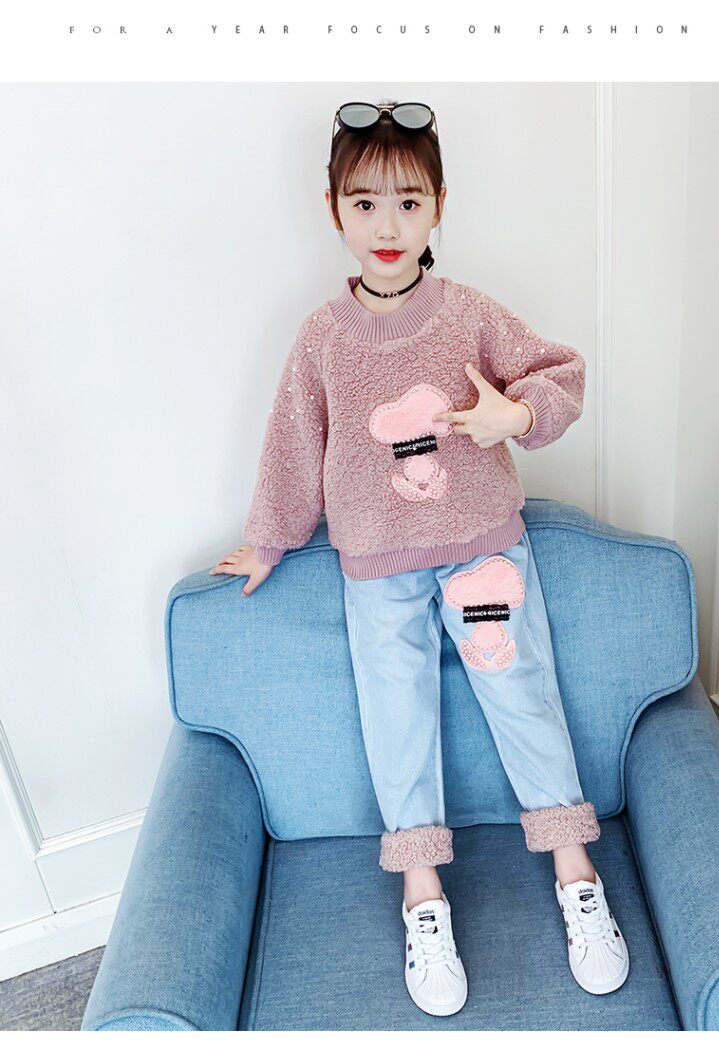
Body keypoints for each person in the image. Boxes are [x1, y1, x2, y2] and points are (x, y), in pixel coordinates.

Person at [210, 98, 629, 1017]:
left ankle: (576, 875)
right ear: (333, 210)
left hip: (480, 553)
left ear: (440, 205)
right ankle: (423, 896)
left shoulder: (469, 314)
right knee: (395, 716)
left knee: (519, 693)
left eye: (408, 202)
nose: (387, 225)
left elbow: (560, 372)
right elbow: (293, 442)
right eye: (365, 204)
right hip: (376, 569)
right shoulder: (322, 338)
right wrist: (271, 538)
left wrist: (517, 414)